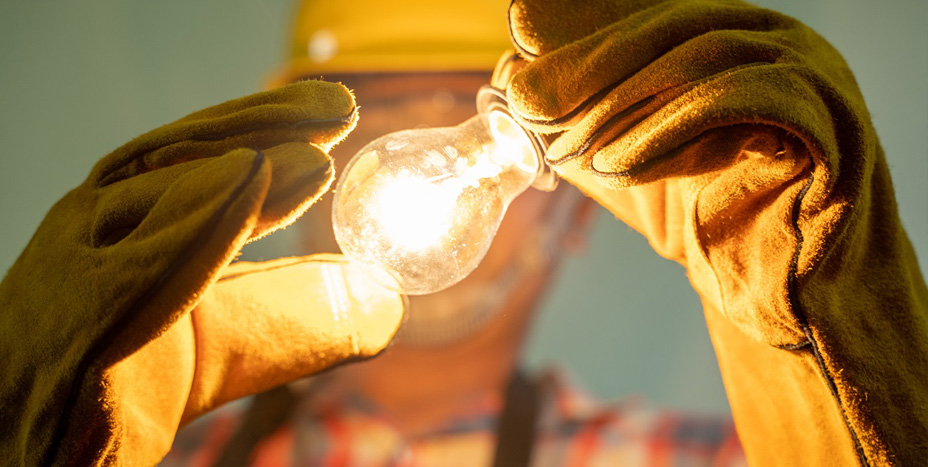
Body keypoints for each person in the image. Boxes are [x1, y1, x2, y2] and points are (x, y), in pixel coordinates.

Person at [1, 1, 925, 467]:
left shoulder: (703, 458)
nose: (450, 173)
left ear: (574, 208)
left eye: (466, 124)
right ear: (307, 179)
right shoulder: (147, 446)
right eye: (381, 131)